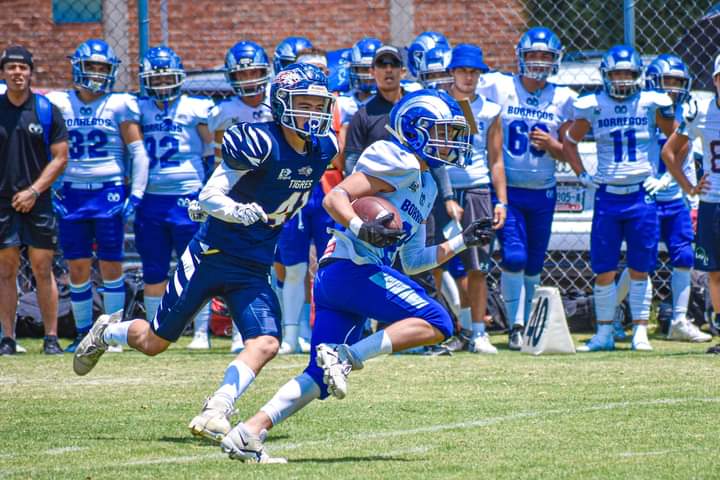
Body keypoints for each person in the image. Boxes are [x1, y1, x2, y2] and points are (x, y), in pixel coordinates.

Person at [219, 88, 492, 462]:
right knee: (439, 320)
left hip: (346, 276)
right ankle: (348, 354)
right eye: (444, 132)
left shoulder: (427, 184)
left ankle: (249, 432)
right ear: (416, 130)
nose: (452, 143)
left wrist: (462, 241)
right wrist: (362, 229)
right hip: (352, 267)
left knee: (319, 376)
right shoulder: (396, 158)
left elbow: (413, 261)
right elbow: (336, 198)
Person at [72, 64, 339, 444]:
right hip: (211, 255)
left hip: (255, 262)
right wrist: (234, 210)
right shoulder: (259, 141)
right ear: (281, 105)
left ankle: (217, 408)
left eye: (318, 104)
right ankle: (107, 330)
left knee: (266, 343)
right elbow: (210, 196)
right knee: (154, 343)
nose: (313, 113)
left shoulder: (326, 147)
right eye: (304, 104)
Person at [564, 45, 677, 352]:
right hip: (608, 196)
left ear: (638, 75)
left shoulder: (651, 103)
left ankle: (640, 331)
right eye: (617, 74)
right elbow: (569, 142)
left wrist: (666, 176)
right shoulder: (593, 104)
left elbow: (678, 140)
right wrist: (582, 176)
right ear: (606, 76)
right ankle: (604, 333)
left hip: (641, 194)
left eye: (627, 73)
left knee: (641, 265)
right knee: (604, 268)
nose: (622, 79)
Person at [476, 27, 577, 350]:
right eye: (532, 55)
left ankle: (527, 321)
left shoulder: (563, 97)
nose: (538, 61)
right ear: (520, 57)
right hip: (510, 191)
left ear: (555, 60)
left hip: (543, 192)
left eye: (545, 56)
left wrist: (553, 144)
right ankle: (515, 323)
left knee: (534, 263)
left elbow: (569, 150)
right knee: (515, 257)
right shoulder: (499, 86)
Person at [47, 39, 150, 353]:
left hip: (108, 191)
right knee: (77, 267)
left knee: (111, 266)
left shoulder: (120, 104)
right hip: (72, 192)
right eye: (91, 65)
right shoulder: (59, 102)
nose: (96, 72)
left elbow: (138, 153)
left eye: (102, 67)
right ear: (77, 67)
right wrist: (52, 187)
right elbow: (46, 149)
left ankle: (113, 335)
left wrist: (135, 194)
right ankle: (82, 333)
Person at [614, 54, 710, 343]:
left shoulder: (687, 111)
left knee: (684, 256)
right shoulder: (642, 108)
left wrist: (674, 181)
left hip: (674, 196)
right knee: (640, 259)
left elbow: (687, 152)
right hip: (644, 195)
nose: (673, 87)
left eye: (678, 82)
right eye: (667, 80)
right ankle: (614, 311)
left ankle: (679, 321)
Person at [135, 46, 216, 348]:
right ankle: (155, 331)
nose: (162, 85)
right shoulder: (138, 108)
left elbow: (211, 151)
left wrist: (208, 190)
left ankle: (200, 332)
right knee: (153, 268)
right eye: (155, 79)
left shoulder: (196, 107)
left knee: (197, 266)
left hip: (188, 194)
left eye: (167, 78)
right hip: (152, 197)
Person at [274, 47, 344, 354]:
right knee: (294, 266)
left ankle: (328, 333)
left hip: (327, 191)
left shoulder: (341, 105)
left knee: (331, 265)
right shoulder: (283, 108)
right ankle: (293, 333)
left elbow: (341, 155)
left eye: (322, 72)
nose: (316, 78)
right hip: (294, 188)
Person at [0, 45, 68, 355]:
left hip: (37, 201)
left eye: (22, 67)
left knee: (43, 269)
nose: (17, 73)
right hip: (3, 203)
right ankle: (8, 338)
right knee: (6, 270)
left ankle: (51, 338)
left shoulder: (45, 109)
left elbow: (60, 157)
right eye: (11, 67)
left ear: (30, 72)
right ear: (3, 73)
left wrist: (34, 191)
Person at [206, 40, 273, 352]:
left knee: (269, 264)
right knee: (235, 263)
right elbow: (219, 158)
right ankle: (237, 332)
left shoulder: (277, 105)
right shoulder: (223, 112)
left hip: (271, 193)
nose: (249, 80)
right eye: (242, 74)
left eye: (255, 73)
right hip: (236, 195)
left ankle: (269, 328)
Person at [443, 43, 508, 353]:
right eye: (463, 71)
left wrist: (502, 200)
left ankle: (478, 330)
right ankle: (459, 329)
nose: (468, 77)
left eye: (474, 71)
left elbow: (496, 160)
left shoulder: (490, 110)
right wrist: (443, 196)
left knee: (477, 264)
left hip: (477, 188)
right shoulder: (438, 105)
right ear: (452, 72)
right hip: (442, 189)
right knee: (442, 264)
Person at [661, 53, 720, 354]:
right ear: (715, 80)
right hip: (712, 201)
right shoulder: (701, 111)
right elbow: (670, 152)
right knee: (714, 271)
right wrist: (689, 186)